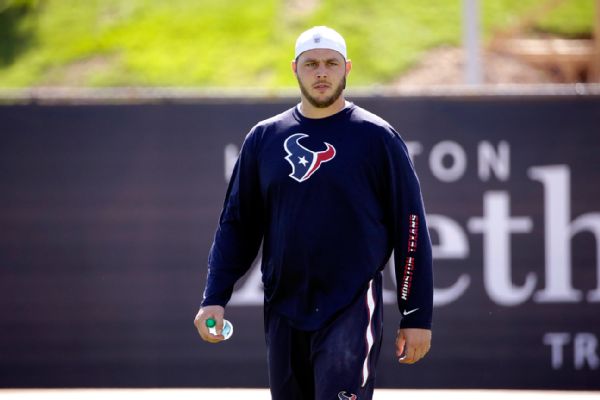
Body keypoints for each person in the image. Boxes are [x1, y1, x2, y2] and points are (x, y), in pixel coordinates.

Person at [194, 26, 433, 400]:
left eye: (330, 63)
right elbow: (237, 226)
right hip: (283, 307)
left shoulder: (377, 138)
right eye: (311, 64)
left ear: (347, 68)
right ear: (295, 69)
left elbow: (411, 228)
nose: (321, 72)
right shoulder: (264, 139)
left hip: (351, 305)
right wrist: (214, 296)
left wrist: (416, 315)